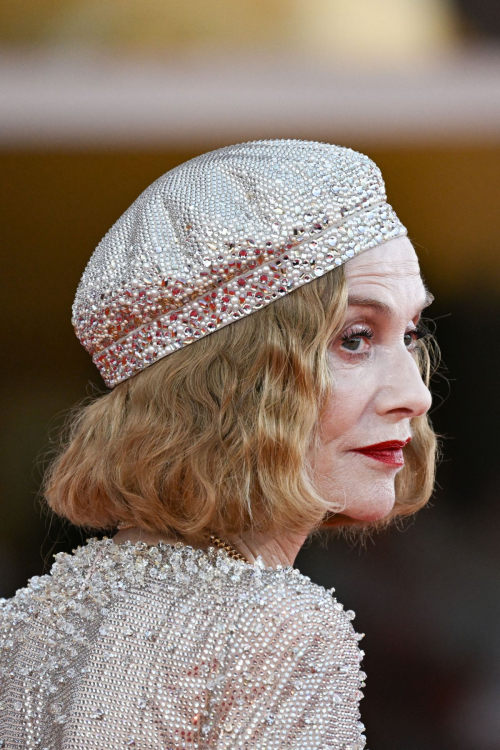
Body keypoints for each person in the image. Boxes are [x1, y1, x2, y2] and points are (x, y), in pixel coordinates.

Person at [0, 139, 438, 749]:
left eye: (412, 333)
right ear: (233, 383)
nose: (416, 395)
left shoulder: (26, 624)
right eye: (356, 338)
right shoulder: (276, 624)